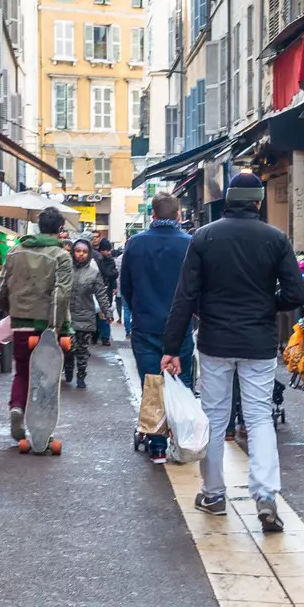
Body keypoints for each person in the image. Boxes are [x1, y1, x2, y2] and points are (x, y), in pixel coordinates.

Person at [162, 172, 304, 530]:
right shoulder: (276, 238)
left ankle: (213, 494)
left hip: (215, 341)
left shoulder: (205, 237)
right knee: (258, 417)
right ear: (258, 202)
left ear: (227, 199)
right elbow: (296, 294)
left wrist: (171, 347)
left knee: (213, 416)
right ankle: (266, 496)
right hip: (258, 341)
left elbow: (185, 296)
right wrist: (266, 304)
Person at [118, 193, 193, 461]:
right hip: (180, 325)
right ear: (178, 215)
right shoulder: (189, 244)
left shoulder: (135, 244)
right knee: (181, 380)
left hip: (145, 322)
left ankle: (157, 445)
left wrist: (138, 309)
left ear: (152, 215)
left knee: (151, 382)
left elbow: (125, 285)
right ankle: (185, 438)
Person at [0, 206, 73, 445]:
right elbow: (62, 294)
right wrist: (55, 327)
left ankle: (17, 407)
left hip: (19, 323)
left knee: (23, 372)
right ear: (60, 230)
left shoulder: (15, 251)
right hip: (46, 326)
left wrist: (11, 311)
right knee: (46, 378)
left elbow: (1, 290)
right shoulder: (61, 256)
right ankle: (41, 430)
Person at [66, 237, 110, 389]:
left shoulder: (93, 271)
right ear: (73, 252)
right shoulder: (66, 268)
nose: (81, 254)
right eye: (78, 251)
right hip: (67, 316)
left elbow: (101, 293)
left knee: (82, 350)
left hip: (86, 316)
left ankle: (81, 376)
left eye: (84, 252)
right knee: (69, 346)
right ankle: (69, 366)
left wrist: (107, 311)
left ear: (89, 253)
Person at [93, 232, 120, 345]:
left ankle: (104, 337)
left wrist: (113, 286)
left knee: (104, 313)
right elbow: (110, 273)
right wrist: (112, 274)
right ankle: (98, 336)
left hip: (106, 289)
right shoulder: (99, 259)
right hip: (98, 289)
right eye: (106, 250)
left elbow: (113, 275)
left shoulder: (108, 259)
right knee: (98, 313)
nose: (108, 253)